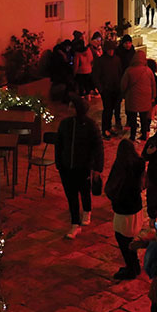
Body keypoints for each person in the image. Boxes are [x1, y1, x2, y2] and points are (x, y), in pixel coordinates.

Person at [53, 97, 104, 239]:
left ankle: (87, 210)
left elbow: (98, 147)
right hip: (66, 167)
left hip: (83, 167)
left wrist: (97, 168)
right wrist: (59, 163)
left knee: (84, 190)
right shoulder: (65, 124)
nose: (69, 109)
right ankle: (75, 224)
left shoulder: (90, 125)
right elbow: (59, 144)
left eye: (72, 107)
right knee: (71, 196)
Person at [107, 138, 145, 280]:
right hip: (136, 208)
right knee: (130, 239)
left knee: (123, 240)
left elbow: (113, 186)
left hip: (124, 209)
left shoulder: (121, 166)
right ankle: (134, 267)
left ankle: (131, 268)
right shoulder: (139, 164)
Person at [120, 49, 157, 140]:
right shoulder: (148, 71)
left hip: (132, 99)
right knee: (144, 118)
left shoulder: (129, 71)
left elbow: (123, 85)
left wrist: (124, 94)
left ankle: (133, 136)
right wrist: (153, 97)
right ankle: (144, 135)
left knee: (133, 118)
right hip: (145, 100)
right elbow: (153, 85)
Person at [92, 40, 124, 139]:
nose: (111, 52)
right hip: (106, 90)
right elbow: (95, 76)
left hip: (116, 89)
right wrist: (101, 89)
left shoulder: (117, 60)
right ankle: (105, 128)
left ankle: (109, 127)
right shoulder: (100, 61)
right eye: (109, 50)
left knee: (113, 108)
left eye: (112, 50)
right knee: (107, 110)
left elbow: (120, 73)